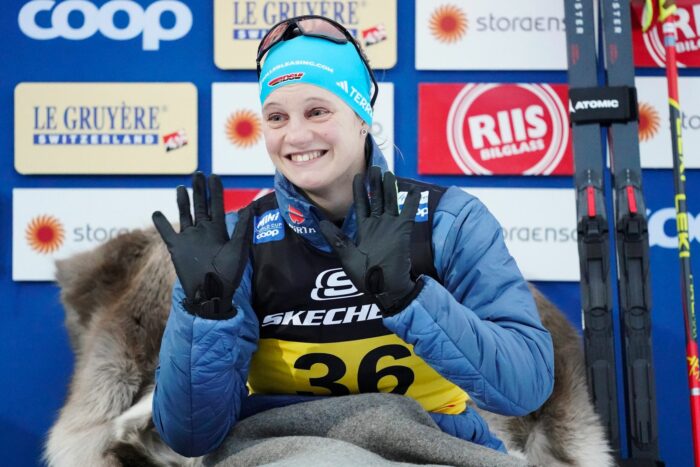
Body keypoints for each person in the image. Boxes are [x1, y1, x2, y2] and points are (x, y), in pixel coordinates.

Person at [151, 15, 554, 458]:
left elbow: (524, 389)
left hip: (434, 447)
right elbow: (191, 437)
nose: (296, 135)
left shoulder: (448, 221)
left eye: (317, 111)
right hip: (281, 449)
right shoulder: (235, 243)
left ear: (361, 116)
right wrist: (205, 319)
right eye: (277, 117)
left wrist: (409, 300)